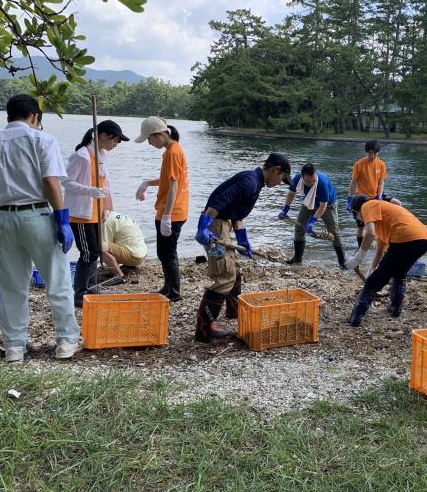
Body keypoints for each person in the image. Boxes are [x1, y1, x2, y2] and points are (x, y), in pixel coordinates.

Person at [0, 94, 80, 362]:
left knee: (11, 285)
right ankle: (65, 341)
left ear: (9, 116)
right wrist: (63, 218)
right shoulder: (42, 139)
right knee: (58, 280)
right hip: (37, 214)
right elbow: (51, 181)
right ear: (35, 117)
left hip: (2, 218)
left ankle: (15, 346)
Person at [194, 154, 292, 341]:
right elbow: (218, 203)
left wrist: (243, 240)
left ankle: (233, 311)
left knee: (234, 268)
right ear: (276, 170)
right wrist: (203, 227)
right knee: (224, 275)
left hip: (222, 224)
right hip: (215, 226)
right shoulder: (250, 182)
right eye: (282, 179)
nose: (281, 183)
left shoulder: (255, 183)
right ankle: (204, 328)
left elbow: (236, 215)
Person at [63, 120, 128, 307]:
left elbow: (105, 183)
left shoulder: (101, 154)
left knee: (95, 252)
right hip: (80, 213)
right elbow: (66, 182)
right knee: (88, 253)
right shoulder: (81, 155)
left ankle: (91, 288)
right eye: (115, 140)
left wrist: (107, 206)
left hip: (95, 212)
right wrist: (88, 190)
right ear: (102, 136)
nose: (116, 144)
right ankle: (80, 295)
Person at [346, 196, 427, 327]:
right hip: (423, 239)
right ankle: (395, 308)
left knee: (375, 281)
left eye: (356, 215)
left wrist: (358, 258)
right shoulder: (382, 224)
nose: (359, 219)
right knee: (399, 272)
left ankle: (355, 317)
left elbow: (368, 233)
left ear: (356, 211)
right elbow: (379, 253)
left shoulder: (367, 205)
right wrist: (372, 270)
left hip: (405, 237)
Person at [135, 117, 189, 302]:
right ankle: (168, 287)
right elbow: (168, 180)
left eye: (149, 139)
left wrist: (167, 216)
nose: (149, 144)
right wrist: (148, 183)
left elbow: (174, 186)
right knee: (163, 252)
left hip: (172, 212)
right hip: (171, 210)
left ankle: (174, 291)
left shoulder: (173, 153)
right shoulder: (171, 151)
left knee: (168, 252)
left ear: (158, 135)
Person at [279, 163, 346, 269]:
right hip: (309, 202)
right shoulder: (297, 178)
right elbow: (291, 193)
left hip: (328, 206)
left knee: (334, 232)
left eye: (313, 180)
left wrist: (312, 222)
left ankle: (342, 263)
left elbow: (323, 206)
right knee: (299, 227)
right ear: (302, 177)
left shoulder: (322, 182)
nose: (312, 183)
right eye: (308, 182)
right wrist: (285, 209)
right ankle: (297, 258)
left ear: (315, 175)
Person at [347, 140, 401, 247]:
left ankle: (393, 234)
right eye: (369, 153)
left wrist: (379, 196)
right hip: (362, 197)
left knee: (397, 203)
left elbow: (381, 182)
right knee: (361, 226)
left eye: (374, 153)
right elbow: (353, 183)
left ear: (378, 153)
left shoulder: (381, 164)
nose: (372, 156)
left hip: (376, 195)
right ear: (366, 152)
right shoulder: (359, 164)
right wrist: (349, 199)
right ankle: (360, 248)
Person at [101, 212, 148, 278]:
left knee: (100, 247)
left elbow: (105, 247)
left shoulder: (105, 222)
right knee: (122, 238)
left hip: (135, 257)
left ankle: (118, 275)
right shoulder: (114, 214)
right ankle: (129, 265)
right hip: (143, 253)